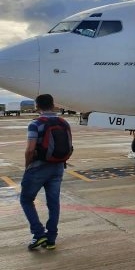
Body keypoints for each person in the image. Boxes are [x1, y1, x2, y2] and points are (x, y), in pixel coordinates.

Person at [20, 94, 71, 250]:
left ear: (37, 106)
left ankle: (38, 233)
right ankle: (51, 239)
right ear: (53, 104)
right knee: (53, 203)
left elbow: (29, 150)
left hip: (38, 168)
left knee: (26, 200)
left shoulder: (35, 124)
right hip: (58, 167)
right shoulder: (64, 122)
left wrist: (27, 166)